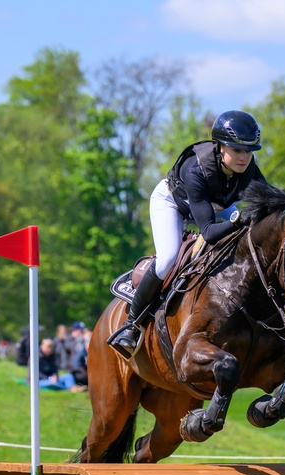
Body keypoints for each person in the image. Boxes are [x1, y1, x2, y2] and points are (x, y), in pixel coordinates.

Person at [109, 110, 267, 358]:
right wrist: (238, 221)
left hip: (214, 207)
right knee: (168, 258)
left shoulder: (249, 169)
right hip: (172, 203)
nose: (244, 157)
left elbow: (269, 203)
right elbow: (209, 232)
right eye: (237, 150)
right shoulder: (196, 170)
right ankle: (131, 324)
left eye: (249, 151)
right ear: (220, 146)